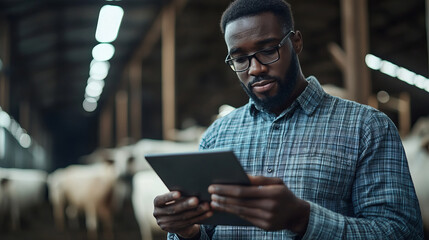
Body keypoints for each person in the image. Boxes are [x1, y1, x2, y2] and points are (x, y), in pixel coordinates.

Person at [152, 0, 424, 239]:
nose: (255, 68)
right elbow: (207, 234)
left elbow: (403, 232)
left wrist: (303, 219)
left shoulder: (367, 127)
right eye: (240, 59)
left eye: (268, 50)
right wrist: (187, 233)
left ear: (296, 42)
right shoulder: (217, 135)